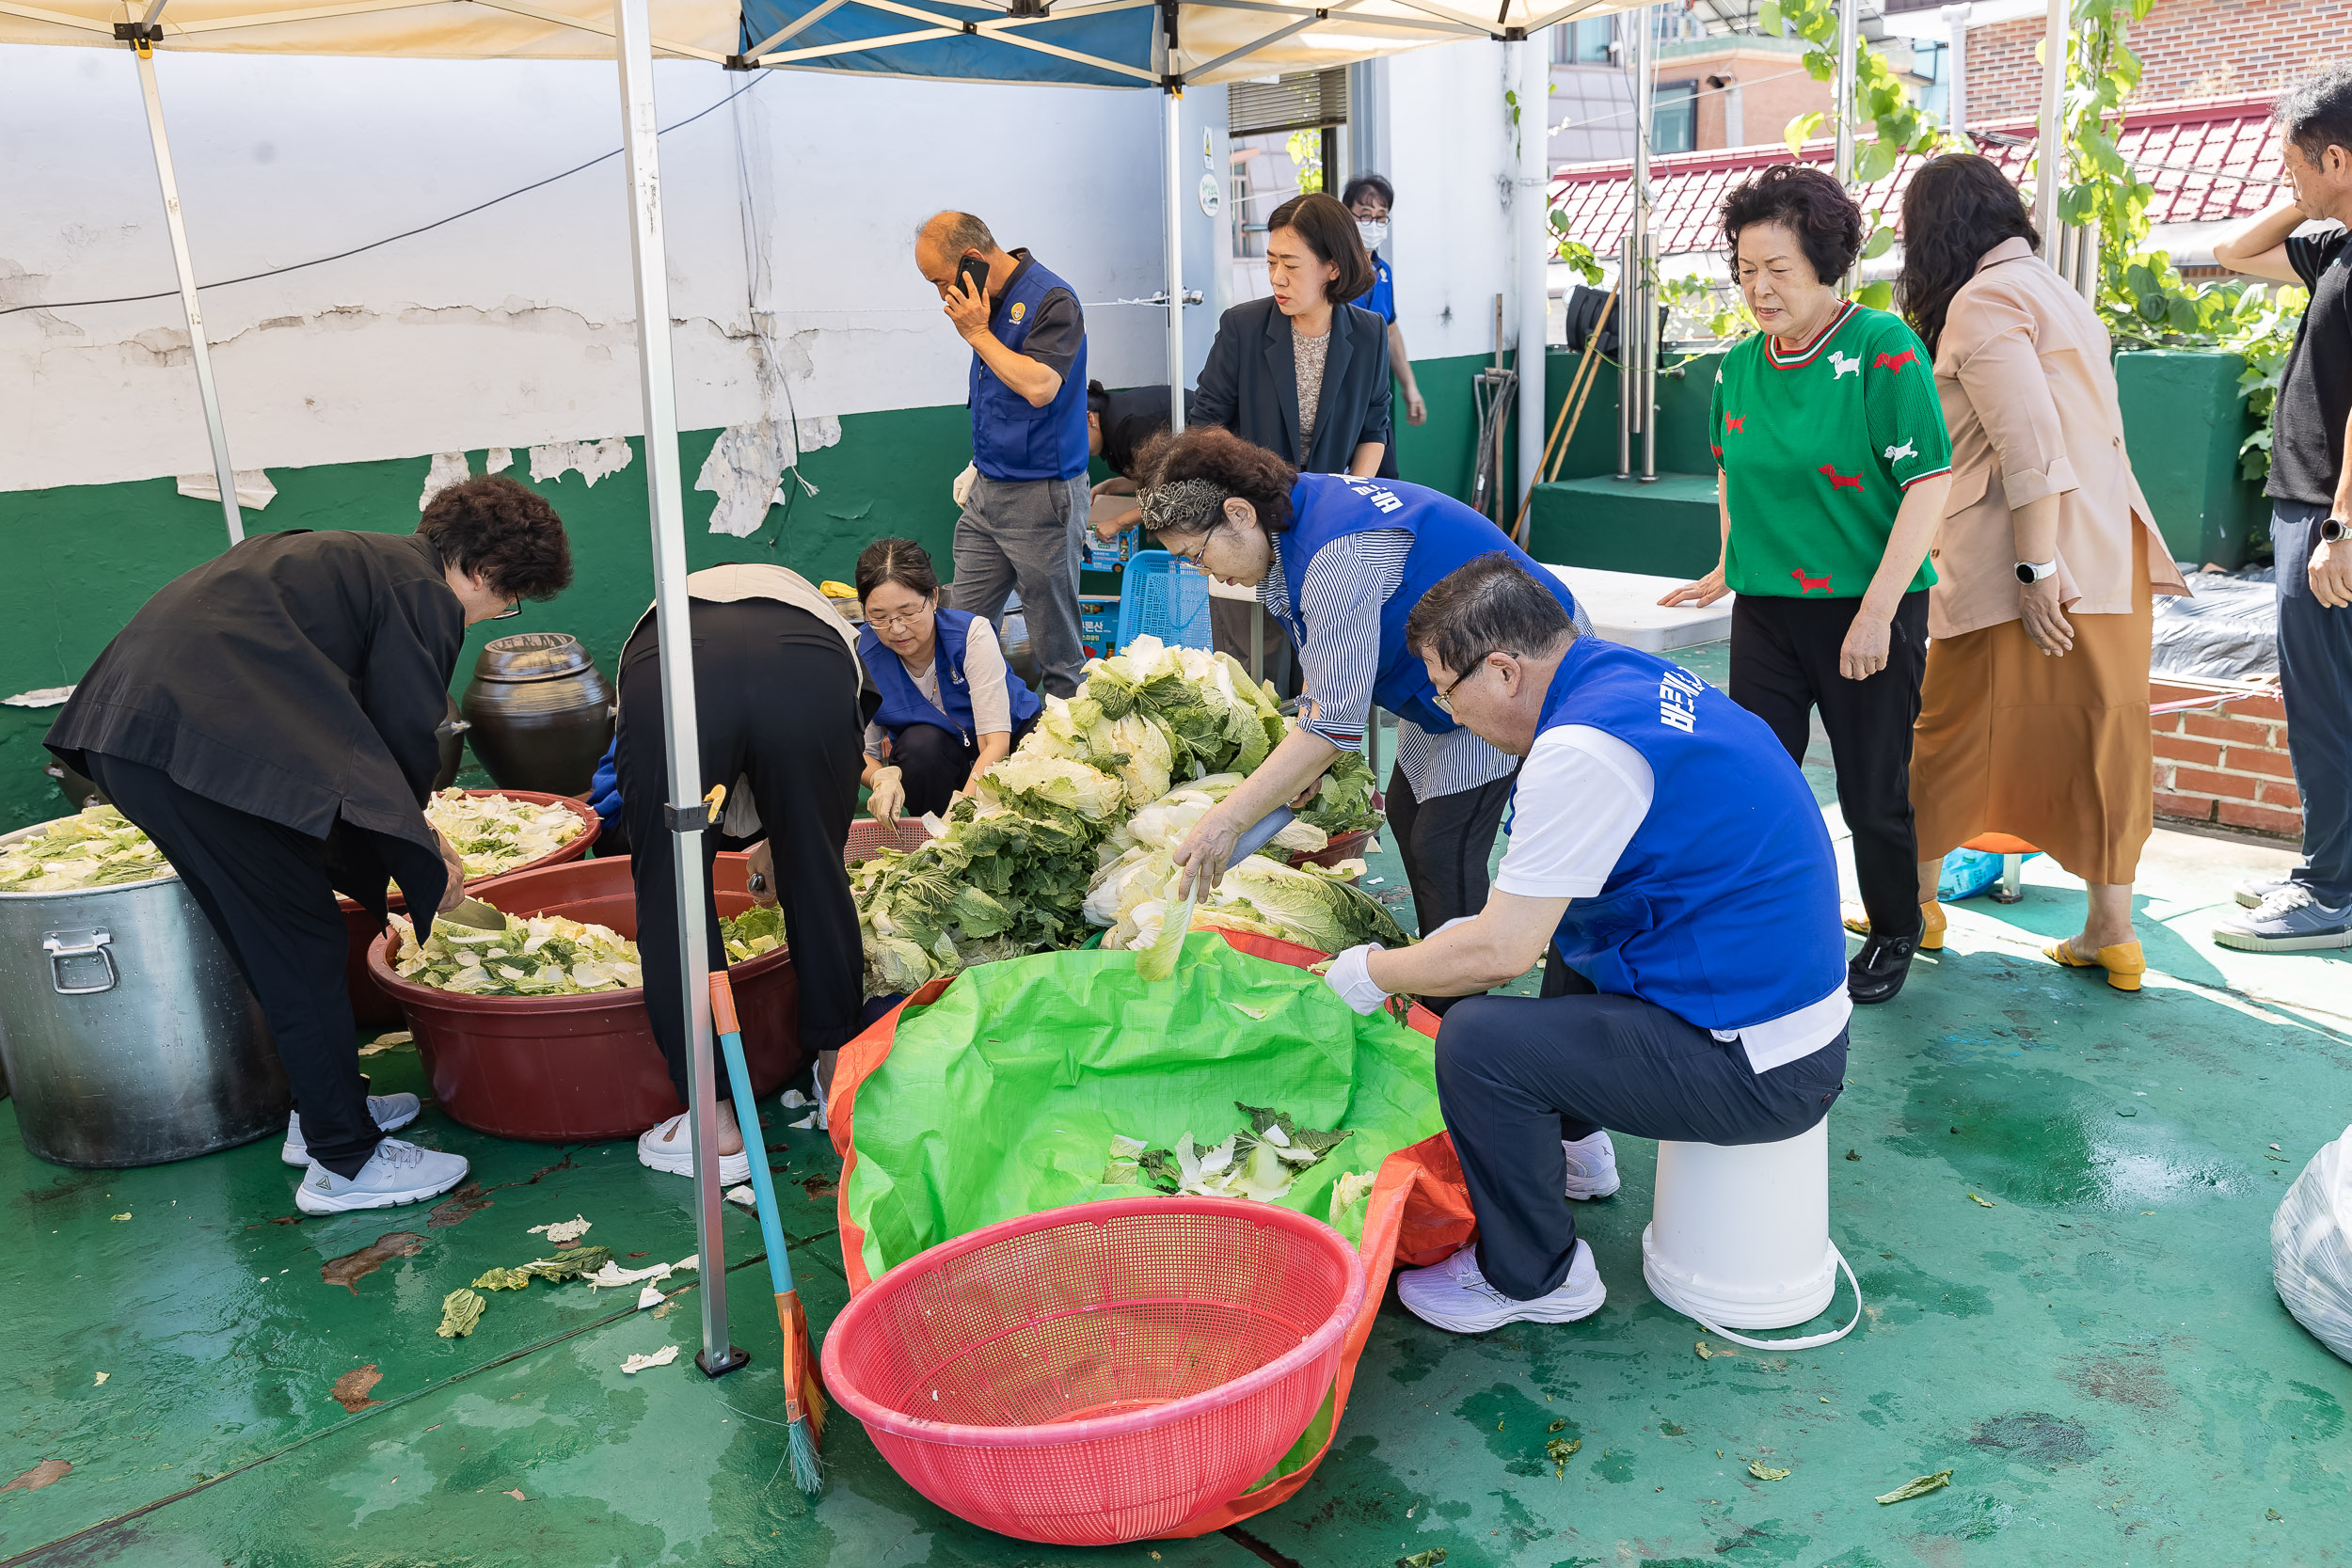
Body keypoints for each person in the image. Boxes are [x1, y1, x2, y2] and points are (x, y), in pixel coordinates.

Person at [1320, 554, 1850, 1331]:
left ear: (1503, 672)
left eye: (1443, 688)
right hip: (1771, 1011)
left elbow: (1501, 950)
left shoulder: (1579, 749)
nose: (1441, 711)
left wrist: (1372, 971)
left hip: (1761, 1068)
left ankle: (1536, 1277)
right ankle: (1577, 1147)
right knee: (1569, 924)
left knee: (1477, 1042)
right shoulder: (1617, 674)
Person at [45, 478, 574, 1213]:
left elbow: (331, 719)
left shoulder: (348, 558)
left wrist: (411, 836)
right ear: (485, 573)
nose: (494, 615)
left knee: (271, 935)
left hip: (133, 737)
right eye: (506, 601)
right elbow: (401, 732)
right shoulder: (421, 592)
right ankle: (345, 1160)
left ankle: (321, 1113)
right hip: (194, 751)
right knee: (301, 938)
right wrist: (421, 848)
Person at [1137, 428, 1586, 1009]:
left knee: (1441, 846)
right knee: (1406, 814)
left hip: (1518, 678)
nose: (1207, 574)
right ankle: (1445, 981)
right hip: (1446, 682)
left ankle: (1461, 1016)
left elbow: (1337, 722)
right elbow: (1329, 678)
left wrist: (1226, 819)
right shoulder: (1299, 510)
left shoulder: (1333, 555)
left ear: (1239, 513)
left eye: (1196, 555)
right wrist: (1304, 762)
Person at [1660, 164, 1955, 1005]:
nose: (1758, 288)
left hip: (1869, 608)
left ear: (1827, 263)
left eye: (1778, 269)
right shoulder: (1739, 366)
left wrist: (1877, 613)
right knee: (1757, 775)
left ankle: (1897, 925)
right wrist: (1728, 563)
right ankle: (1771, 920)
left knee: (1870, 790)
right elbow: (1734, 472)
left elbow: (1928, 485)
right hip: (1768, 608)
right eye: (1747, 269)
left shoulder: (1883, 350)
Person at [1896, 154, 2189, 990]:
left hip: (2021, 562)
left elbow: (2029, 445)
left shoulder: (1984, 301)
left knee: (1947, 732)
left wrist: (2033, 567)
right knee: (2105, 734)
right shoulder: (2055, 288)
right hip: (2107, 555)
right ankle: (2113, 933)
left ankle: (1914, 903)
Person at [615, 563, 868, 1184]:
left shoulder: (652, 631)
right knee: (818, 873)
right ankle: (837, 1078)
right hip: (811, 669)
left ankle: (717, 1122)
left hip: (674, 677)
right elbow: (798, 785)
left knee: (674, 895)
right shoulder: (820, 618)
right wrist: (788, 839)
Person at [2209, 66, 2352, 954]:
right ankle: (2325, 867)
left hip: (2328, 512)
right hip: (2310, 504)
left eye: (2295, 166)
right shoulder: (2335, 247)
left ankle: (2330, 892)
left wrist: (2340, 528)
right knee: (2326, 699)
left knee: (2325, 705)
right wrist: (2311, 200)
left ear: (2336, 156)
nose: (2284, 182)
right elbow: (2230, 252)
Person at [1194, 191, 1394, 685]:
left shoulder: (1368, 333)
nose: (1276, 277)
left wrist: (1350, 498)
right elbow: (1205, 427)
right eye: (1270, 262)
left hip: (1330, 534)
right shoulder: (1243, 327)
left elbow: (1374, 427)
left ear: (1332, 267)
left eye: (1291, 264)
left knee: (1327, 681)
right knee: (1251, 683)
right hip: (1247, 528)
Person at [914, 211, 1090, 699]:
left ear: (972, 260)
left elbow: (1039, 387)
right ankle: (972, 732)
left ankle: (1067, 751)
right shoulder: (985, 302)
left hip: (1042, 498)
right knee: (961, 629)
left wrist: (978, 334)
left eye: (942, 281)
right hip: (987, 492)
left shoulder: (1052, 300)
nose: (942, 295)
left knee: (1056, 646)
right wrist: (978, 463)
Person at [854, 537, 1041, 822]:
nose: (897, 629)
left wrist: (960, 815)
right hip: (941, 761)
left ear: (933, 598)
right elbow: (859, 753)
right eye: (878, 617)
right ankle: (933, 842)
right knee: (918, 748)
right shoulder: (863, 655)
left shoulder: (970, 635)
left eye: (908, 612)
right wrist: (880, 777)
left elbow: (996, 744)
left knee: (1039, 759)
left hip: (1009, 743)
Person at [1342, 173, 1428, 480]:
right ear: (1346, 216)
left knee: (1386, 480)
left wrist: (1410, 388)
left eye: (1381, 217)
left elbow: (1390, 331)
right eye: (1364, 216)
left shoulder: (1383, 272)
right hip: (1338, 398)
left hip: (1375, 398)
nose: (1373, 225)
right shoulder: (1332, 271)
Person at [1086, 381, 1188, 540]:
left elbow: (1174, 495)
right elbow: (1156, 478)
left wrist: (1119, 522)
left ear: (1089, 417)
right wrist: (1111, 486)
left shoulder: (1130, 427)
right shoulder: (1113, 416)